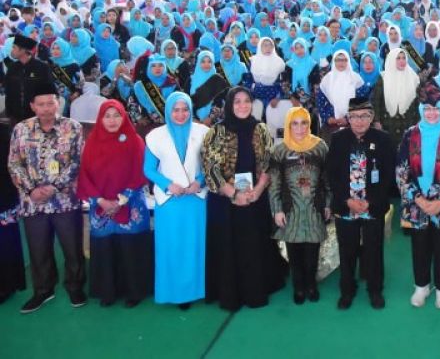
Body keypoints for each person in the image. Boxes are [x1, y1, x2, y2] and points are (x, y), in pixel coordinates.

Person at [201, 87, 286, 311]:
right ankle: (231, 293)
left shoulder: (260, 128)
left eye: (246, 101)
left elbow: (269, 163)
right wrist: (234, 194)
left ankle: (256, 289)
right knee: (229, 245)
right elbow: (210, 168)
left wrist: (257, 190)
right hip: (225, 202)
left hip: (255, 199)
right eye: (237, 101)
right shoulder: (216, 131)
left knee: (254, 243)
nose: (242, 106)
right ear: (229, 105)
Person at [6, 82, 86, 313]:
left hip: (65, 200)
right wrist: (31, 189)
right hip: (33, 203)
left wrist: (54, 186)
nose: (46, 108)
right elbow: (14, 164)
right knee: (38, 249)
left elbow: (78, 161)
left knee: (72, 247)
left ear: (58, 102)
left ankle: (75, 286)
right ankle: (43, 290)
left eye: (50, 103)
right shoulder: (21, 129)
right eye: (40, 104)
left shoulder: (73, 127)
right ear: (32, 106)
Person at [76, 100, 153, 308]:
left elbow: (141, 172)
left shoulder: (135, 141)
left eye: (117, 115)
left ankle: (134, 291)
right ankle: (107, 291)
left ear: (124, 117)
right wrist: (100, 200)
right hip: (100, 205)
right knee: (105, 247)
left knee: (130, 247)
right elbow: (84, 175)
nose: (112, 120)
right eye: (107, 116)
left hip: (130, 203)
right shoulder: (92, 143)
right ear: (100, 119)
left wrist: (122, 199)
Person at [327, 97, 395, 310]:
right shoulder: (338, 139)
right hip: (346, 206)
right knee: (347, 250)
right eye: (354, 116)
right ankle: (347, 290)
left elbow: (389, 176)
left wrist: (370, 201)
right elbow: (331, 175)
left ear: (372, 117)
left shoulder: (383, 139)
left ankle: (375, 290)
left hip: (372, 206)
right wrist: (347, 200)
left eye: (364, 116)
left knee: (374, 250)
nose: (359, 121)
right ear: (348, 118)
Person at [396, 102, 440, 309]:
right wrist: (418, 199)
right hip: (416, 202)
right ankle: (421, 286)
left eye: (436, 109)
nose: (431, 113)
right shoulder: (410, 135)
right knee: (420, 246)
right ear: (421, 111)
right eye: (427, 109)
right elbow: (401, 171)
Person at [143, 92, 208, 308]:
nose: (181, 114)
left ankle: (197, 290)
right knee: (171, 247)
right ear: (168, 111)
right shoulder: (155, 136)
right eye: (176, 110)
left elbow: (211, 164)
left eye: (185, 109)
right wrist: (168, 184)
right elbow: (149, 169)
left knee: (195, 246)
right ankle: (175, 292)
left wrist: (199, 181)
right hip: (169, 202)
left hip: (196, 200)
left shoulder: (203, 132)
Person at [270, 107, 331, 304]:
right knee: (294, 251)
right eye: (294, 123)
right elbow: (274, 183)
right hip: (291, 209)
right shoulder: (279, 150)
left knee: (313, 250)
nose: (300, 128)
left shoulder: (320, 147)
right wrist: (277, 209)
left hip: (314, 208)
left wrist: (328, 204)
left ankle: (311, 284)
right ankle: (298, 286)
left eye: (304, 123)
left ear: (309, 124)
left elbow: (327, 179)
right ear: (288, 126)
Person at [371, 48, 420, 150]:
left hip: (408, 123)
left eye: (403, 58)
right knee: (387, 151)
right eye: (398, 58)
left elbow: (418, 103)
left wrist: (417, 122)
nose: (402, 61)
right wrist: (376, 121)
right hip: (387, 123)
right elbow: (376, 101)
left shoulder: (413, 77)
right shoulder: (383, 77)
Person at [0, 119, 26, 304]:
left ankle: (6, 285)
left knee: (6, 242)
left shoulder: (3, 132)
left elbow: (13, 165)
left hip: (3, 198)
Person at [2, 34, 53, 125]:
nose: (12, 50)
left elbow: (49, 91)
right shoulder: (12, 68)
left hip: (37, 116)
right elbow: (8, 92)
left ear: (23, 50)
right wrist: (9, 114)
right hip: (16, 116)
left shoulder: (42, 68)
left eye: (14, 47)